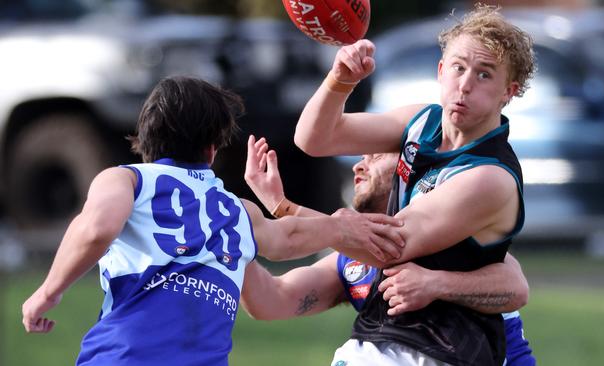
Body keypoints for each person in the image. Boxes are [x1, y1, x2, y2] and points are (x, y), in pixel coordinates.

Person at [20, 76, 405, 366]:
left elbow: (96, 229)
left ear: (145, 136)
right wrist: (342, 225)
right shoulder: (237, 211)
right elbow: (285, 238)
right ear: (214, 147)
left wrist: (48, 293)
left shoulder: (127, 178)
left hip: (123, 354)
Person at [293, 4, 536, 366]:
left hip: (446, 349)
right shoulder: (422, 122)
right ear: (441, 71)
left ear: (509, 92)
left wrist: (287, 213)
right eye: (458, 67)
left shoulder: (490, 176)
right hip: (392, 335)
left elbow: (387, 247)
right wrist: (341, 80)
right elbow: (313, 138)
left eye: (484, 75)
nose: (465, 85)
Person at [242, 137, 535, 365]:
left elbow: (516, 287)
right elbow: (273, 300)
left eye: (375, 156)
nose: (359, 165)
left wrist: (435, 285)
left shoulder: (454, 239)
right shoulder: (352, 263)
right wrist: (232, 243)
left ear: (411, 171)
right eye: (361, 157)